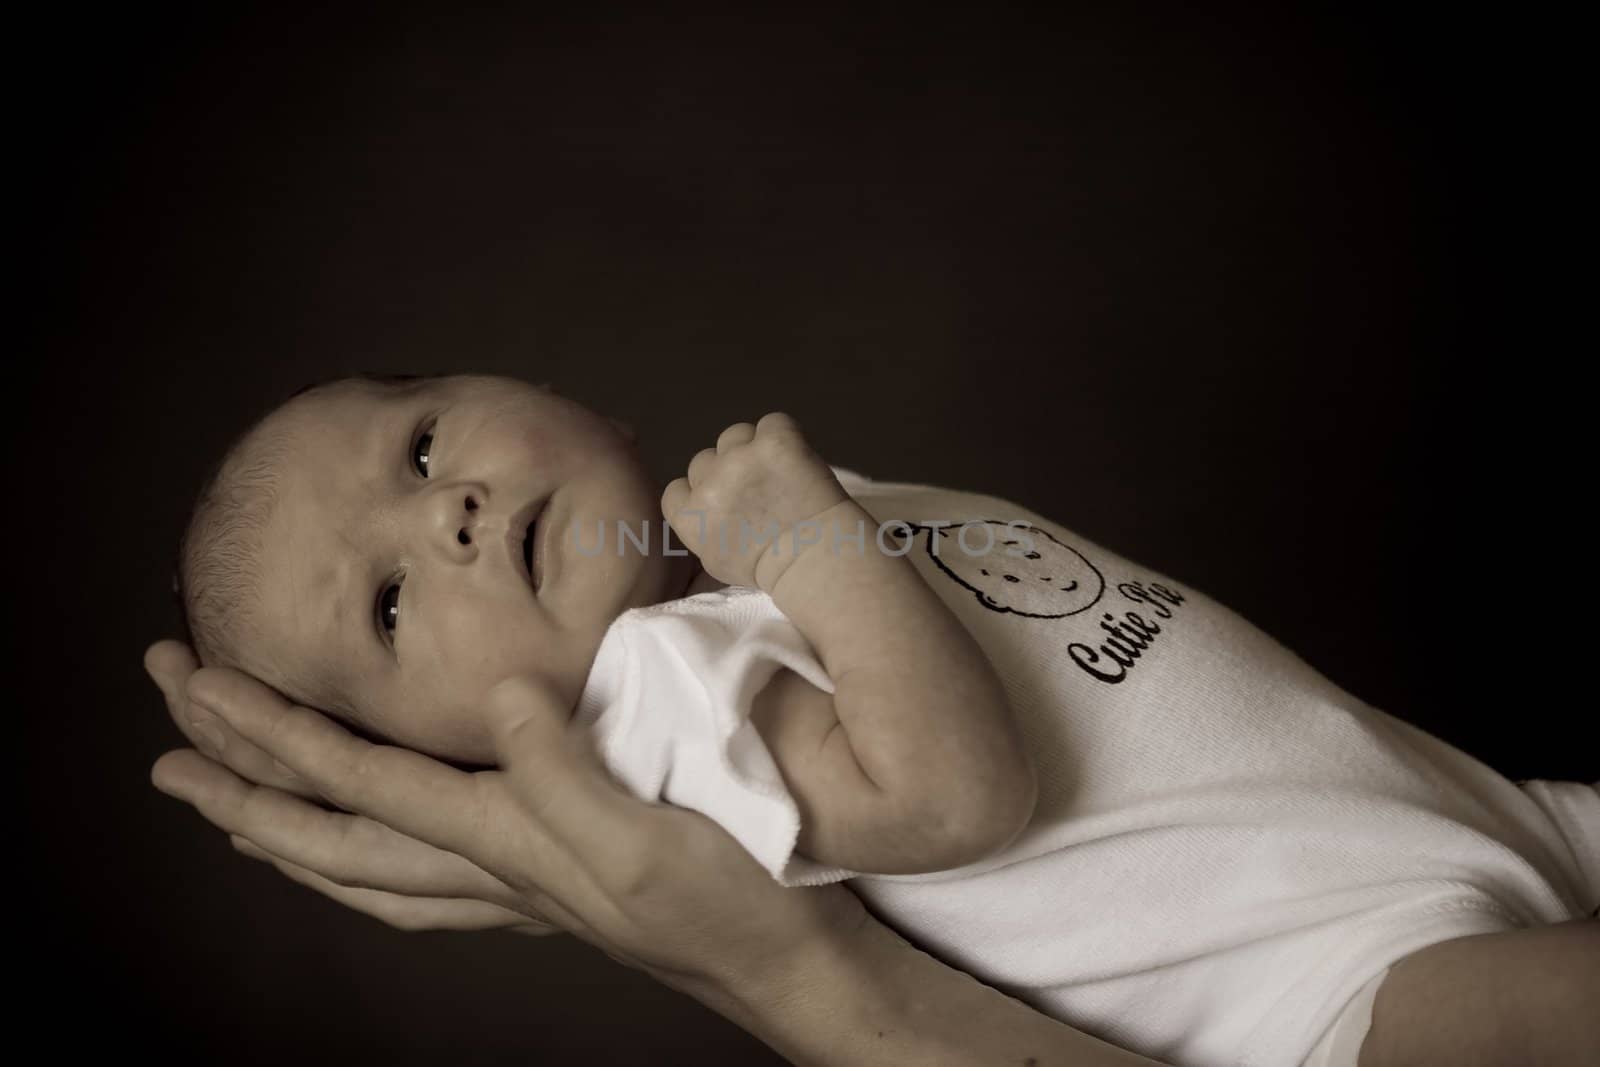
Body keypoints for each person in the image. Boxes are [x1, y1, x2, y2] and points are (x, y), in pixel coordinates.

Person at [161, 372, 1600, 1065]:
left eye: (419, 445)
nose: (452, 513)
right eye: (393, 603)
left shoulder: (724, 548)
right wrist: (817, 552)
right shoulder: (662, 707)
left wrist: (789, 544)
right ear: (448, 757)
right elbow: (950, 799)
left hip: (1439, 823)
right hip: (1348, 992)